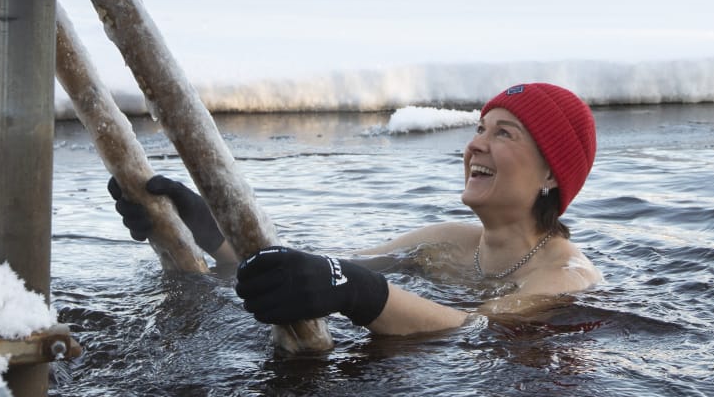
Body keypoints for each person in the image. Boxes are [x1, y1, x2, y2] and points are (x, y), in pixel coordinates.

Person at [111, 82, 604, 336]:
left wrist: (364, 295)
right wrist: (200, 225)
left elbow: (475, 329)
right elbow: (311, 269)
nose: (476, 146)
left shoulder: (566, 277)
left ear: (552, 175)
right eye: (480, 128)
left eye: (503, 133)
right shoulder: (447, 242)